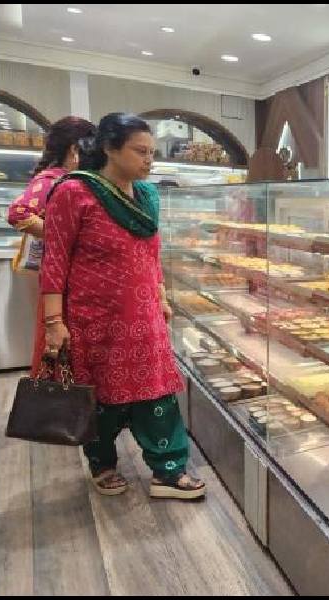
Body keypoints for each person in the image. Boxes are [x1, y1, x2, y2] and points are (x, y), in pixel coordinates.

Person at [40, 113, 205, 499]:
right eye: (140, 151)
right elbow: (55, 259)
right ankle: (103, 464)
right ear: (110, 148)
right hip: (95, 318)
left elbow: (152, 254)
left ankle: (168, 470)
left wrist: (161, 296)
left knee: (157, 393)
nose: (150, 160)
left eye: (152, 152)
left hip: (144, 316)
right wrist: (53, 321)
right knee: (101, 398)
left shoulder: (147, 196)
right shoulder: (74, 192)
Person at [7, 116, 97, 377]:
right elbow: (18, 213)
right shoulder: (54, 180)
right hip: (59, 282)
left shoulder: (68, 179)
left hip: (66, 280)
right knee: (59, 347)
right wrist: (63, 236)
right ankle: (61, 408)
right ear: (74, 149)